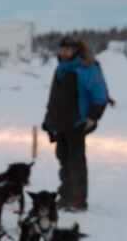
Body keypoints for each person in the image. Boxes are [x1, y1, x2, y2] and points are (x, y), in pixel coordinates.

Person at [42, 34, 109, 211]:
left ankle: (78, 200)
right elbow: (54, 98)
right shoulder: (61, 69)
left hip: (78, 122)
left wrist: (93, 117)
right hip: (61, 123)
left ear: (76, 50)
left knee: (76, 161)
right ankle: (65, 196)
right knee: (63, 159)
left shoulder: (86, 68)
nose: (64, 52)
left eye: (68, 49)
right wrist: (49, 121)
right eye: (62, 49)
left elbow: (100, 95)